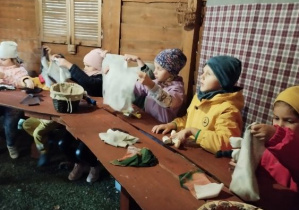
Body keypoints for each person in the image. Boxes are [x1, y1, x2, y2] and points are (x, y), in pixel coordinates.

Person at [152, 55, 244, 154]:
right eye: (203, 72)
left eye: (208, 74)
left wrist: (193, 131)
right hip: (190, 151)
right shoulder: (199, 97)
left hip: (207, 161)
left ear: (223, 81)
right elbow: (188, 119)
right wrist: (172, 125)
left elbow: (227, 143)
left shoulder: (228, 109)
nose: (202, 76)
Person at [54, 48, 107, 183]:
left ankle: (95, 166)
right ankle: (79, 164)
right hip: (80, 118)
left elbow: (90, 83)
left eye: (88, 65)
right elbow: (76, 78)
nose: (85, 68)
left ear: (98, 67)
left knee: (81, 152)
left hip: (97, 123)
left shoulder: (102, 79)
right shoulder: (88, 76)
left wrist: (68, 64)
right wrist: (61, 59)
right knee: (62, 144)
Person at [250, 86, 299, 192]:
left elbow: (293, 152)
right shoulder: (270, 147)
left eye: (289, 121)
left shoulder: (278, 141)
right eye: (276, 118)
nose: (279, 125)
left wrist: (277, 136)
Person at [125, 48, 187, 123]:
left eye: (159, 69)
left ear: (171, 72)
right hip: (148, 120)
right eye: (155, 68)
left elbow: (168, 101)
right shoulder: (158, 81)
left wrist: (150, 85)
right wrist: (119, 78)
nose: (155, 72)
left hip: (161, 127)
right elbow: (137, 86)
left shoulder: (177, 88)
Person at [0, 41, 34, 159]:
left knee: (9, 124)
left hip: (13, 104)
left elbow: (27, 83)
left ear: (13, 59)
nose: (0, 61)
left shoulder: (19, 70)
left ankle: (11, 144)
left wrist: (5, 76)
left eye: (3, 59)